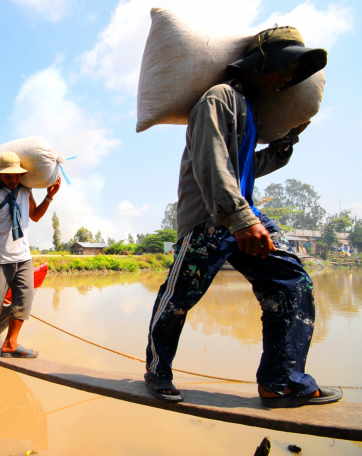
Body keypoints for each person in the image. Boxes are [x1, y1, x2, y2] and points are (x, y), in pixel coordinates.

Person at [144, 26, 342, 408]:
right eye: (284, 68)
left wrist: (287, 141)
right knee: (179, 299)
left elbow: (250, 165)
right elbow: (211, 162)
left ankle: (280, 380)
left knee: (292, 282)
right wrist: (241, 219)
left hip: (241, 214)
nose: (287, 78)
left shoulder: (248, 111)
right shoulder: (218, 99)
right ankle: (158, 370)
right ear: (261, 64)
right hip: (210, 218)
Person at [0, 152, 60, 357]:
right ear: (0, 175)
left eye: (16, 175)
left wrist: (49, 196)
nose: (13, 179)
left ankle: (10, 343)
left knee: (24, 300)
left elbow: (35, 216)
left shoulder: (25, 191)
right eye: (7, 176)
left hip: (23, 258)